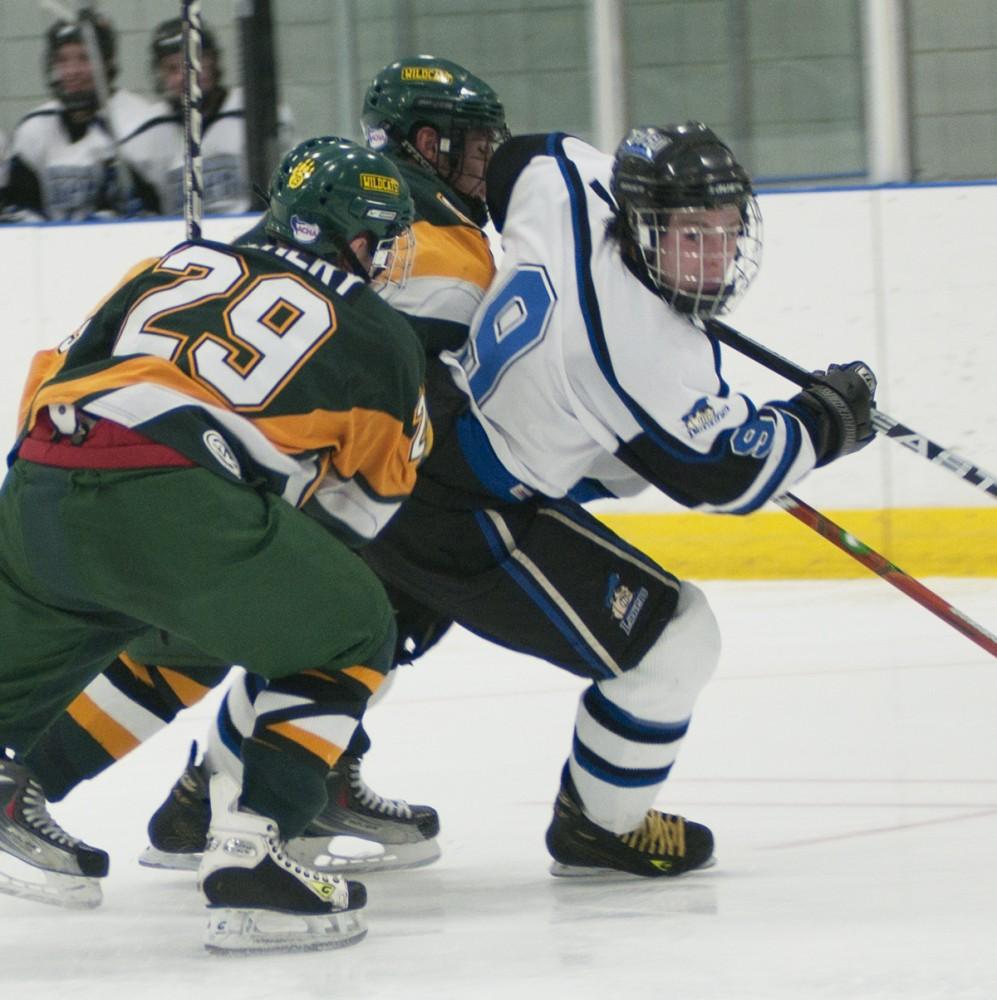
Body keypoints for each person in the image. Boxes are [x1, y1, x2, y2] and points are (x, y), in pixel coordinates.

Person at [85, 121, 879, 881]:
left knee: (351, 636)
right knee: (674, 641)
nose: (710, 257)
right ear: (640, 223)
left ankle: (211, 796)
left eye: (725, 233)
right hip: (472, 508)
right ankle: (603, 825)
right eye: (688, 235)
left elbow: (517, 159)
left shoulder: (566, 180)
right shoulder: (633, 353)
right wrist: (825, 420)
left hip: (411, 442)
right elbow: (727, 475)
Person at [19, 54, 511, 878]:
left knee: (185, 643)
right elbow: (374, 491)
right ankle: (261, 833)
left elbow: (54, 372)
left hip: (61, 466)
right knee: (351, 633)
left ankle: (34, 783)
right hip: (219, 490)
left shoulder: (196, 258)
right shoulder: (441, 262)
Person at [0, 136, 430, 953]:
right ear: (361, 238)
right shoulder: (381, 336)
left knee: (137, 626)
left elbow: (49, 375)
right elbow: (361, 511)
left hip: (41, 483)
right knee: (352, 627)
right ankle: (253, 853)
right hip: (173, 501)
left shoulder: (168, 265)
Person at [119, 17, 295, 216]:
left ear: (213, 61)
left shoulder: (258, 113)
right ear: (160, 74)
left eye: (194, 61)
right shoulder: (144, 137)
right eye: (172, 68)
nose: (185, 76)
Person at [0, 11, 156, 221]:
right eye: (62, 60)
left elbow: (145, 212)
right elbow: (21, 206)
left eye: (84, 58)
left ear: (107, 63)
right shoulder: (34, 126)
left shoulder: (139, 121)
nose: (72, 71)